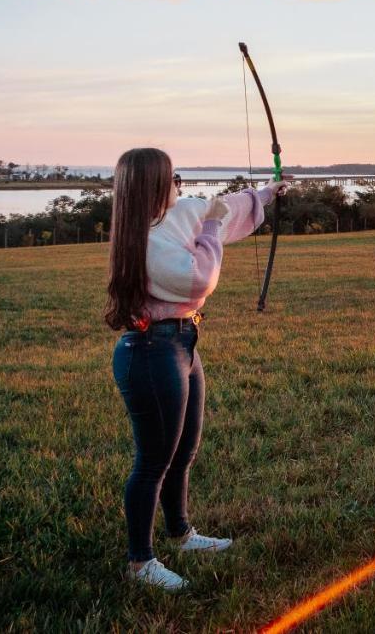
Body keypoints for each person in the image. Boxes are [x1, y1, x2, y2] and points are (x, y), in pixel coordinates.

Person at [103, 147, 287, 591]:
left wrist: (267, 192)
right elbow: (198, 277)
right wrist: (209, 228)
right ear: (151, 186)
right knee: (152, 462)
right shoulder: (144, 239)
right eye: (172, 178)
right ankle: (140, 561)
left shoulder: (179, 212)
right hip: (150, 351)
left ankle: (181, 533)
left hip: (185, 342)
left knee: (184, 450)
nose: (179, 184)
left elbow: (228, 211)